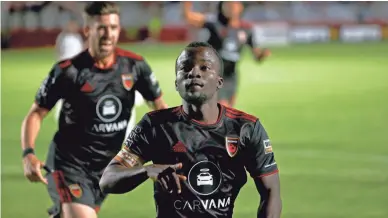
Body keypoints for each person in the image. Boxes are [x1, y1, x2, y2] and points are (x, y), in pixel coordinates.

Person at [99, 42, 282, 218]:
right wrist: (147, 170)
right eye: (185, 68)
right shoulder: (155, 125)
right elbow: (108, 179)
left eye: (204, 68)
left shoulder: (245, 128)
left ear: (220, 82)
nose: (194, 72)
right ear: (176, 83)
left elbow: (271, 192)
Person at [21, 2, 168, 218]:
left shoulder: (135, 67)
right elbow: (37, 112)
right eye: (101, 28)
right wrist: (28, 154)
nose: (108, 34)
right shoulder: (68, 72)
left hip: (108, 167)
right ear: (88, 30)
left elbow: (160, 109)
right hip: (71, 165)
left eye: (113, 27)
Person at [183, 2, 271, 107]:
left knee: (228, 111)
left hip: (231, 75)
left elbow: (256, 57)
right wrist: (186, 3)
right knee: (222, 107)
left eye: (233, 5)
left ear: (240, 7)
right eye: (227, 5)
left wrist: (262, 55)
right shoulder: (215, 24)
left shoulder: (246, 29)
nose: (230, 8)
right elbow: (189, 17)